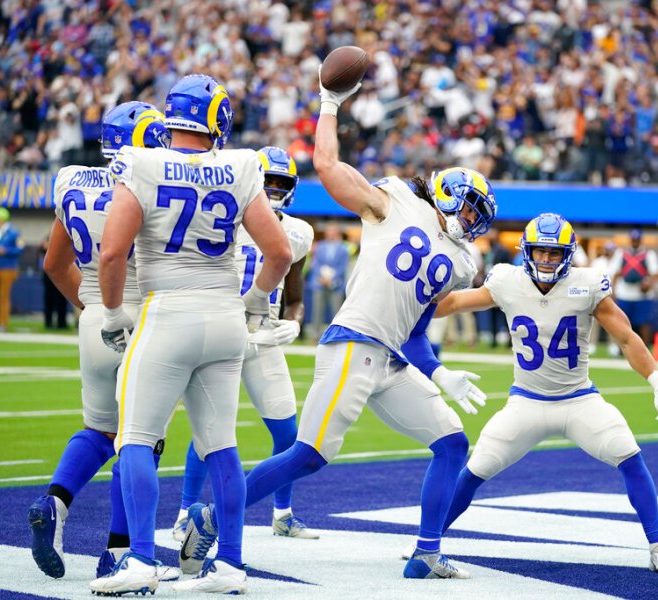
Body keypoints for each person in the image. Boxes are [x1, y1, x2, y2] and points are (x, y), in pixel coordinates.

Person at [178, 71, 498, 581]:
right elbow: (327, 165)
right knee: (308, 455)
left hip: (391, 358)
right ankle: (210, 517)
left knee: (454, 443)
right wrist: (329, 103)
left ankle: (427, 551)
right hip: (352, 343)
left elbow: (415, 331)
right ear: (446, 193)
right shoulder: (395, 201)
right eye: (471, 207)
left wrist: (439, 374)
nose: (473, 220)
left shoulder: (460, 262)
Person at [89, 74, 292, 596]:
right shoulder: (243, 164)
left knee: (136, 436)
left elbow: (112, 253)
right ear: (218, 118)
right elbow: (280, 254)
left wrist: (112, 314)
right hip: (225, 316)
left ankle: (138, 560)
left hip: (166, 313)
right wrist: (252, 303)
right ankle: (230, 566)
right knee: (221, 444)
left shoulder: (142, 163)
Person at [428, 213, 658, 575]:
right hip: (526, 402)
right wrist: (405, 308)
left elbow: (626, 336)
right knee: (474, 470)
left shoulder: (588, 284)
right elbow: (450, 305)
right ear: (526, 251)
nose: (546, 260)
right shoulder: (506, 281)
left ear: (568, 254)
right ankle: (428, 541)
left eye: (553, 253)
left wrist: (657, 381)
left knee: (630, 457)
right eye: (540, 252)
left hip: (579, 399)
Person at [28, 101, 176, 582]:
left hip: (95, 318)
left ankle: (55, 502)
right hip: (142, 318)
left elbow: (53, 263)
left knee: (99, 431)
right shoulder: (150, 182)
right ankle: (117, 551)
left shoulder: (72, 180)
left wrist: (92, 309)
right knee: (139, 441)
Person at [171, 146, 318, 542]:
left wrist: (294, 321)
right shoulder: (227, 218)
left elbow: (296, 289)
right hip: (222, 331)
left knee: (290, 434)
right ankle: (186, 512)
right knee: (209, 431)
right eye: (266, 181)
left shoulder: (299, 231)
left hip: (264, 339)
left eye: (280, 183)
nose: (272, 189)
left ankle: (283, 513)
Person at [608, 228, 658, 347]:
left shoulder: (648, 254)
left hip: (642, 294)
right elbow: (614, 273)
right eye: (633, 239)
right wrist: (613, 292)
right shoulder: (621, 253)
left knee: (644, 323)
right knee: (621, 323)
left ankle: (645, 348)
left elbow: (655, 273)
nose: (635, 242)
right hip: (624, 293)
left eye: (637, 240)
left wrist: (648, 284)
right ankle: (620, 348)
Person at [308, 222, 350, 340]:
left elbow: (343, 266)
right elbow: (315, 264)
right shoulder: (319, 246)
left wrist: (332, 278)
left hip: (336, 284)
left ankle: (336, 336)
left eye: (333, 231)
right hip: (319, 283)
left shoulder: (343, 248)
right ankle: (315, 335)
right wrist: (322, 277)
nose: (330, 233)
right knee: (317, 311)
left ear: (337, 233)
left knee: (336, 311)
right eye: (328, 231)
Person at [0, 206, 23, 331]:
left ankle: (2, 323)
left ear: (1, 219)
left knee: (3, 296)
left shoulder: (14, 233)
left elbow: (20, 248)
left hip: (8, 268)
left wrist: (5, 251)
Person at [39, 233, 70, 329]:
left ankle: (62, 322)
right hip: (49, 276)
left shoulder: (65, 240)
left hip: (62, 274)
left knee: (61, 300)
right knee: (49, 300)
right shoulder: (48, 238)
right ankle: (48, 322)